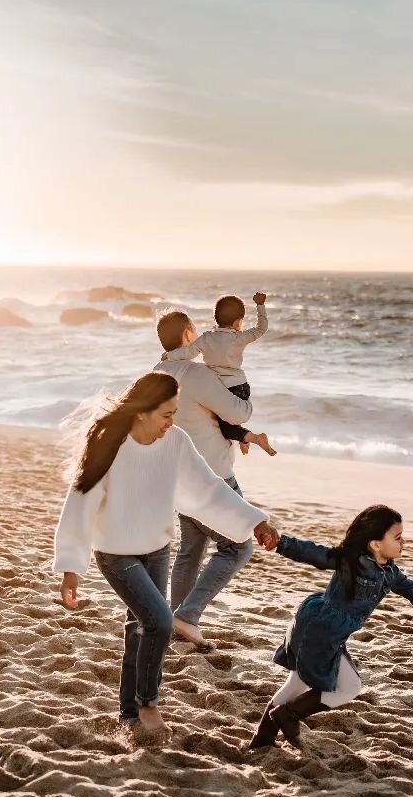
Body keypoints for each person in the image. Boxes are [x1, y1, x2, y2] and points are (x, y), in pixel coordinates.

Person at [53, 371, 280, 743]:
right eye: (165, 414)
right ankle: (147, 702)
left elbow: (206, 487)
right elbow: (80, 501)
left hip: (157, 549)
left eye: (175, 413)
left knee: (139, 630)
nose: (171, 423)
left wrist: (254, 521)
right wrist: (71, 567)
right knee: (159, 621)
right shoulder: (110, 443)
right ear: (142, 411)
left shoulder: (175, 441)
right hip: (116, 553)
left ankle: (128, 715)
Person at [249, 504, 413, 751]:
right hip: (320, 628)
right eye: (398, 537)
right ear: (375, 544)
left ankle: (263, 739)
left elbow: (411, 588)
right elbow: (315, 553)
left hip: (326, 630)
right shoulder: (351, 561)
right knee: (349, 687)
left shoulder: (390, 573)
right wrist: (281, 544)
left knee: (296, 685)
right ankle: (288, 714)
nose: (403, 542)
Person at [154, 310, 264, 648]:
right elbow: (237, 412)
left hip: (178, 475)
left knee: (191, 549)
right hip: (212, 475)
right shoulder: (196, 373)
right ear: (189, 334)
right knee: (238, 546)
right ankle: (188, 615)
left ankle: (176, 620)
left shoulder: (157, 372)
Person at [161, 291, 276, 457]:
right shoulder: (239, 338)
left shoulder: (206, 338)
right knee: (224, 421)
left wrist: (168, 356)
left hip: (219, 386)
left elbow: (188, 353)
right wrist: (260, 306)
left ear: (216, 319)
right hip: (240, 387)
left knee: (223, 425)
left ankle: (248, 437)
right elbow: (261, 328)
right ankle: (248, 437)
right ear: (238, 322)